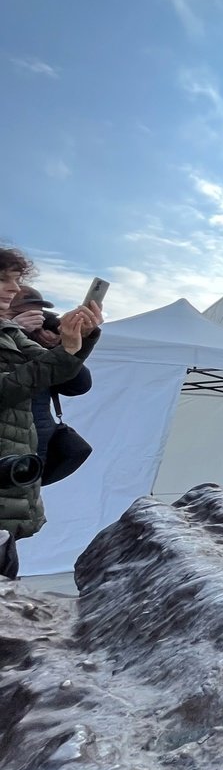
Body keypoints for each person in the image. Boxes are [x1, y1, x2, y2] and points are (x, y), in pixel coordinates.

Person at [1, 247, 103, 577]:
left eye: (16, 281)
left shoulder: (15, 334)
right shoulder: (11, 332)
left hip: (19, 458)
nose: (13, 289)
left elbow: (75, 380)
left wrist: (74, 342)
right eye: (4, 281)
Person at [6, 286, 94, 462]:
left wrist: (60, 349)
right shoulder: (9, 338)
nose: (32, 319)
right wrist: (14, 331)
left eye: (36, 314)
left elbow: (79, 386)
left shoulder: (37, 345)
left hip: (37, 441)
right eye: (20, 313)